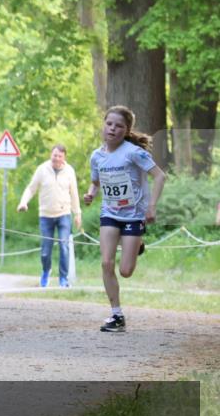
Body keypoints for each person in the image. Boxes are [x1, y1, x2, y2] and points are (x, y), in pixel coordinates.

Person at [83, 105, 167, 333]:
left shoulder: (133, 152)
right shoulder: (97, 156)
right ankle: (116, 315)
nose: (112, 129)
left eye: (119, 126)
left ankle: (137, 243)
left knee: (126, 271)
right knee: (106, 262)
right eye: (109, 124)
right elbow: (96, 182)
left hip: (134, 214)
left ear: (126, 130)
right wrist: (91, 193)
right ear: (104, 125)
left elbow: (160, 176)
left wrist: (151, 207)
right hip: (109, 214)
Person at [17, 145, 82, 287]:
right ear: (50, 155)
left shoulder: (69, 171)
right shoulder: (42, 169)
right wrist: (23, 202)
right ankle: (46, 271)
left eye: (59, 156)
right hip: (45, 215)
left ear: (64, 157)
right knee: (46, 250)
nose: (56, 158)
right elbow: (31, 188)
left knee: (64, 246)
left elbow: (74, 193)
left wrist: (77, 214)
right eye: (54, 155)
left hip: (64, 214)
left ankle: (63, 279)